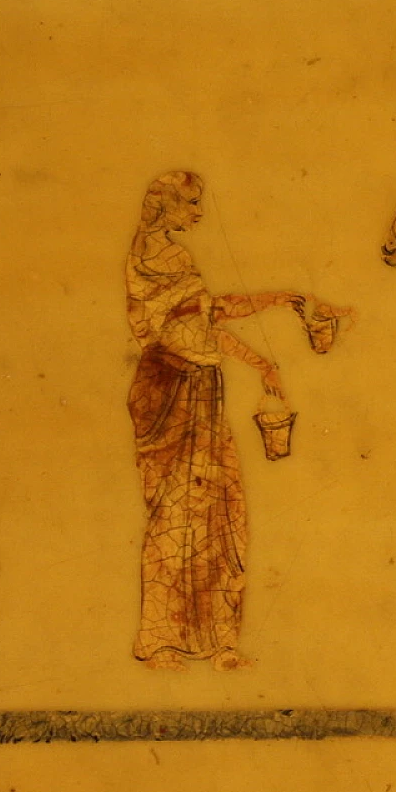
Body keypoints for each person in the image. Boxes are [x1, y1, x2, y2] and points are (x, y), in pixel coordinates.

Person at [125, 170, 304, 671]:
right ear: (167, 207)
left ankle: (219, 641)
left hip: (202, 386)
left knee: (222, 516)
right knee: (175, 515)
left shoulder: (173, 254)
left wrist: (261, 363)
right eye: (193, 204)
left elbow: (201, 325)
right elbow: (202, 316)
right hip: (170, 390)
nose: (199, 213)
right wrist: (273, 299)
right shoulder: (159, 254)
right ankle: (162, 643)